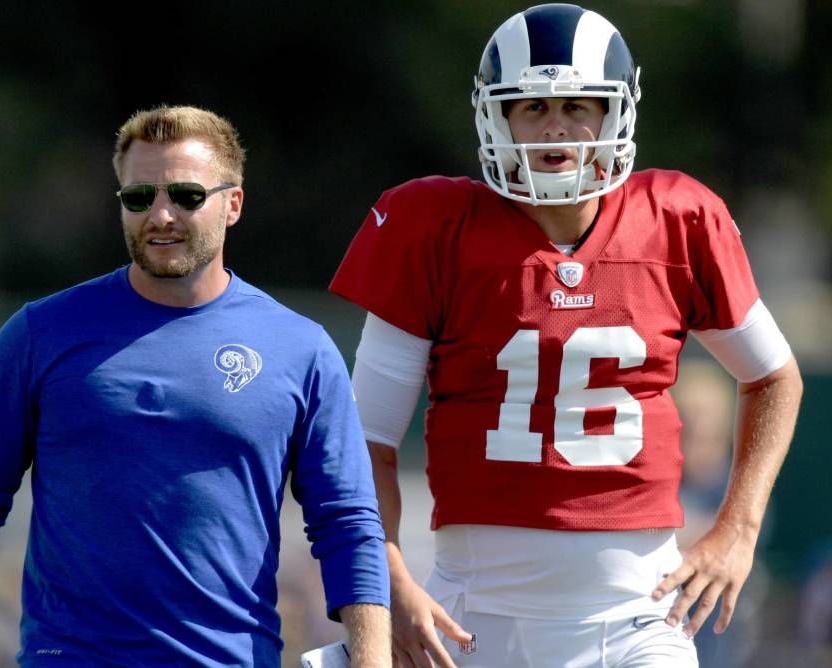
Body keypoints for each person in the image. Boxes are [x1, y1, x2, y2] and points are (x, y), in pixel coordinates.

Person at [330, 4, 804, 667]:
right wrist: (391, 579)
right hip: (472, 614)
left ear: (616, 114)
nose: (557, 126)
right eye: (532, 107)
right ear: (496, 116)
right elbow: (367, 442)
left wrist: (738, 528)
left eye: (579, 104)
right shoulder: (433, 227)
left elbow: (774, 376)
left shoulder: (678, 218)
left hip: (639, 610)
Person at [0, 105, 391, 667]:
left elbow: (347, 523)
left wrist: (372, 660)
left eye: (186, 195)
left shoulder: (302, 349)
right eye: (138, 198)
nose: (161, 215)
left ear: (233, 204)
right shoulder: (40, 335)